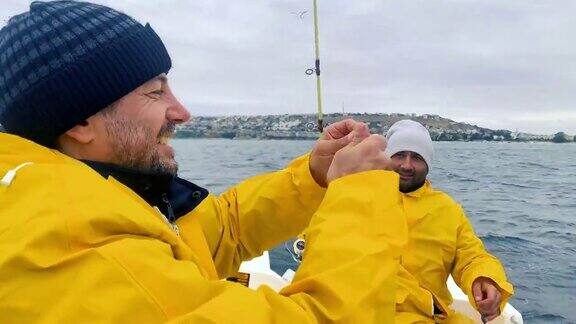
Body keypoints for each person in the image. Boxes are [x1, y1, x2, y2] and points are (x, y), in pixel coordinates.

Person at [0, 1, 406, 322]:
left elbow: (223, 229)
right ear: (80, 121)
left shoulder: (107, 197)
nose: (182, 112)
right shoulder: (73, 246)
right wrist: (360, 194)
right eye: (155, 92)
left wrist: (315, 177)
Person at [383, 120, 514, 323]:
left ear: (428, 164)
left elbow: (471, 256)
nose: (406, 165)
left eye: (417, 157)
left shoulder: (447, 209)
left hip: (429, 317)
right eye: (399, 154)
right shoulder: (359, 199)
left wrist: (484, 278)